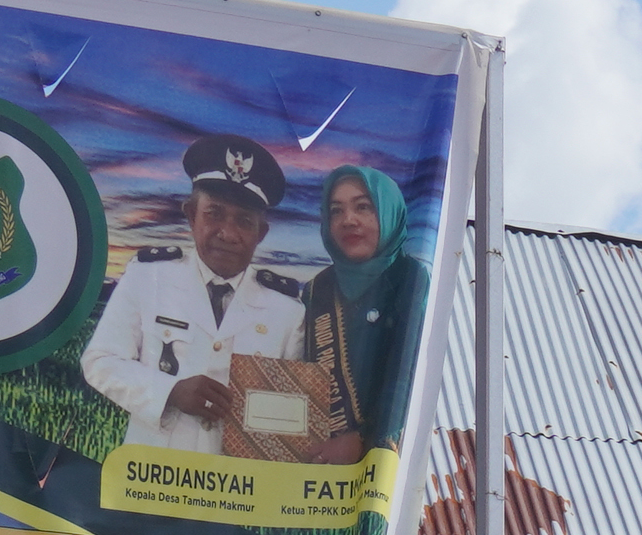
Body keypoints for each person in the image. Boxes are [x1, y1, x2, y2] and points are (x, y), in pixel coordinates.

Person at [79, 134, 306, 455]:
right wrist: (169, 391)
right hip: (152, 476)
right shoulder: (149, 276)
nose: (227, 233)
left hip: (237, 491)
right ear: (190, 215)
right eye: (214, 213)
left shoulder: (287, 310)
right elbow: (99, 362)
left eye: (244, 221)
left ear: (261, 233)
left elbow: (291, 414)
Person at [294, 163, 424, 467]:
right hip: (318, 475)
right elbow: (300, 377)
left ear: (388, 212)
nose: (348, 220)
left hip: (384, 469)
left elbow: (407, 376)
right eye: (336, 211)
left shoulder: (410, 279)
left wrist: (364, 440)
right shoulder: (317, 289)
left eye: (363, 207)